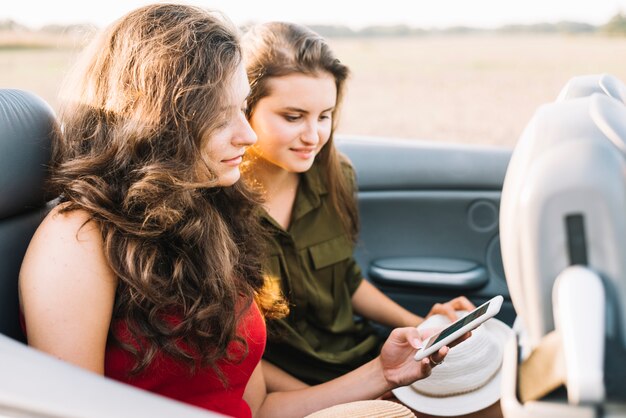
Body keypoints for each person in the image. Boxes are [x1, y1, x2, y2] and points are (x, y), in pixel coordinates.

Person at [18, 4, 464, 418]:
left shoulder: (212, 216)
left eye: (242, 109)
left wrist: (384, 374)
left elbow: (259, 407)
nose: (247, 136)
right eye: (221, 117)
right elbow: (69, 410)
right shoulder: (78, 238)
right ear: (158, 121)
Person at [240, 21, 476, 391]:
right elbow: (238, 355)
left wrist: (421, 329)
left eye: (324, 116)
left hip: (365, 357)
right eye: (292, 117)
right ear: (244, 107)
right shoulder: (216, 209)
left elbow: (345, 279)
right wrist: (320, 403)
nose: (313, 135)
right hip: (299, 389)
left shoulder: (334, 177)